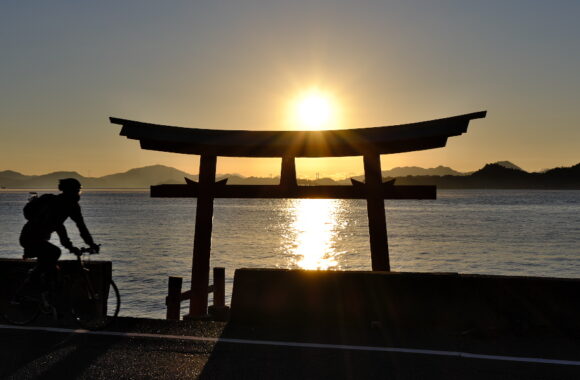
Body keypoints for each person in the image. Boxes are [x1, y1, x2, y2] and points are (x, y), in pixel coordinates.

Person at [19, 178, 99, 288]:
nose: (78, 194)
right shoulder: (58, 203)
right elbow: (60, 227)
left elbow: (81, 227)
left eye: (78, 191)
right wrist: (73, 246)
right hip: (30, 237)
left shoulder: (72, 206)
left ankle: (44, 294)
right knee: (55, 252)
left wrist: (89, 244)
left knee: (50, 269)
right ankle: (25, 289)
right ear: (69, 191)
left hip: (38, 237)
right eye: (76, 191)